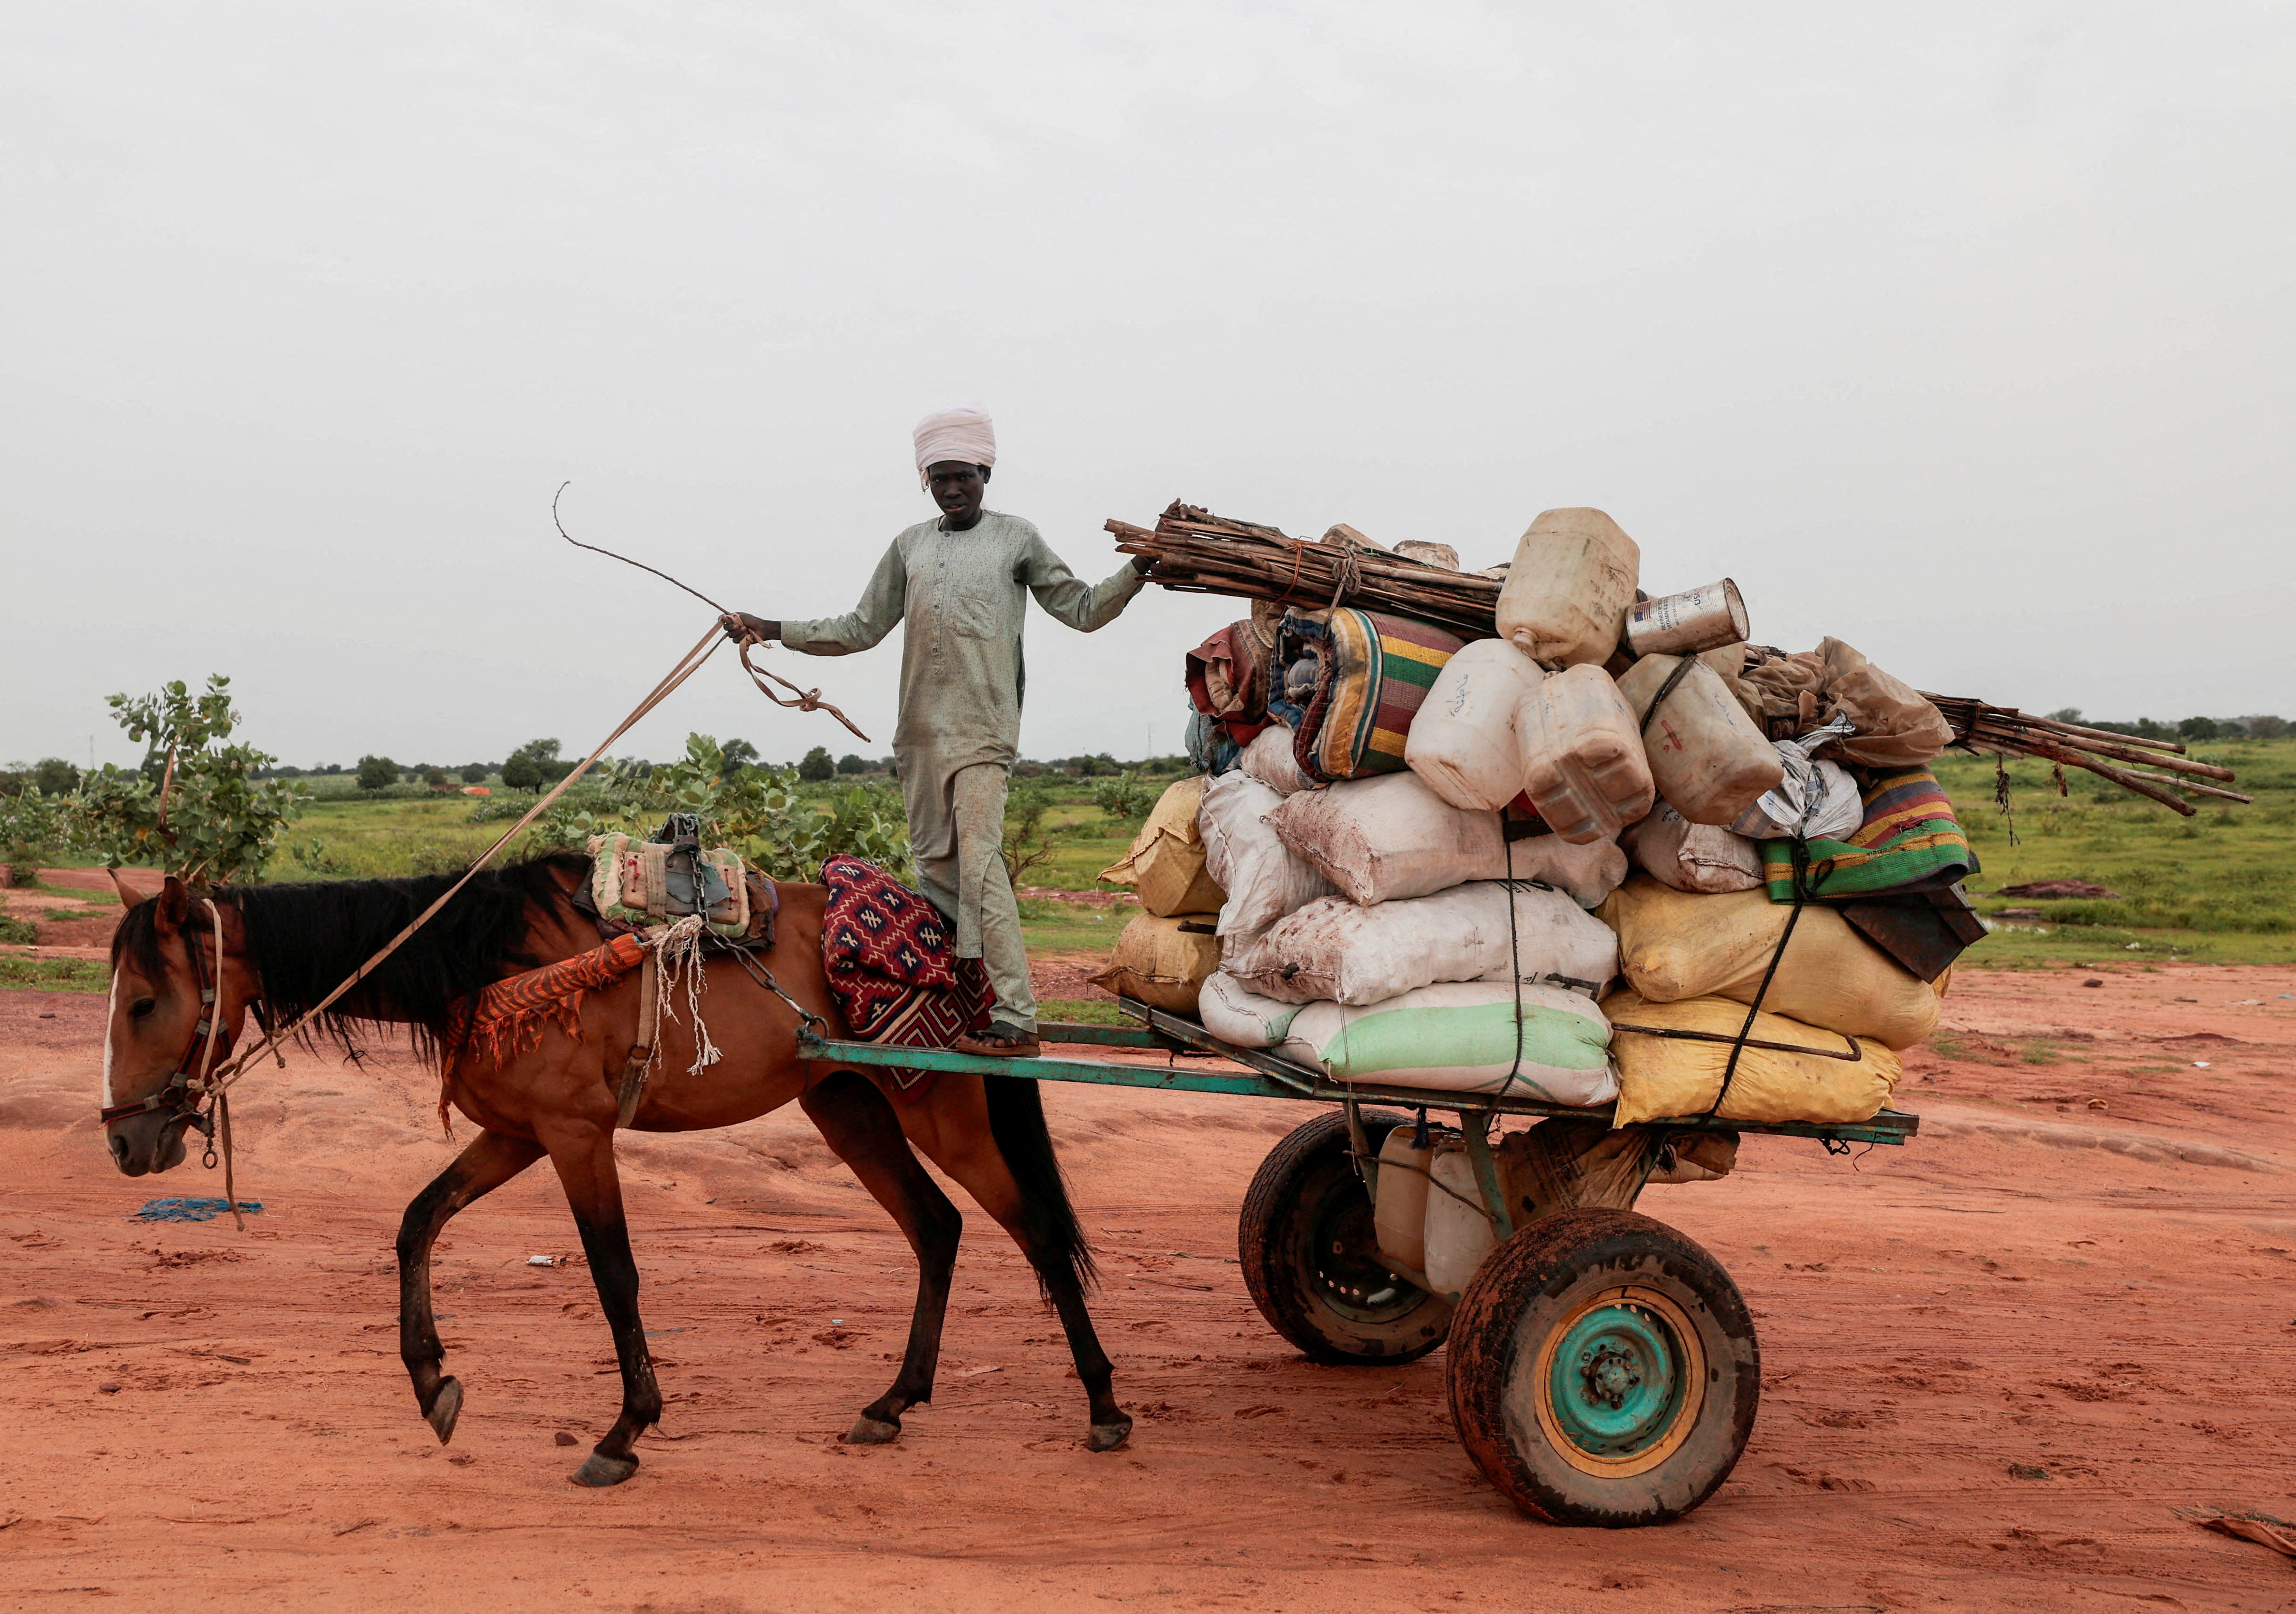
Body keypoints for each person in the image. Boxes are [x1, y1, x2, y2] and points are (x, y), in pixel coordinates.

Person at [724, 406, 1150, 1056]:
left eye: (963, 477)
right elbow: (860, 628)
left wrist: (1139, 569)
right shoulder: (910, 546)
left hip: (983, 734)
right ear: (926, 480)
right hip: (919, 735)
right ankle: (962, 998)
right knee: (937, 871)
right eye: (940, 479)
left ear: (986, 474)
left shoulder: (1017, 538)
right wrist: (774, 629)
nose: (952, 490)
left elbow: (1084, 609)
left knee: (980, 866)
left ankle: (1017, 1017)